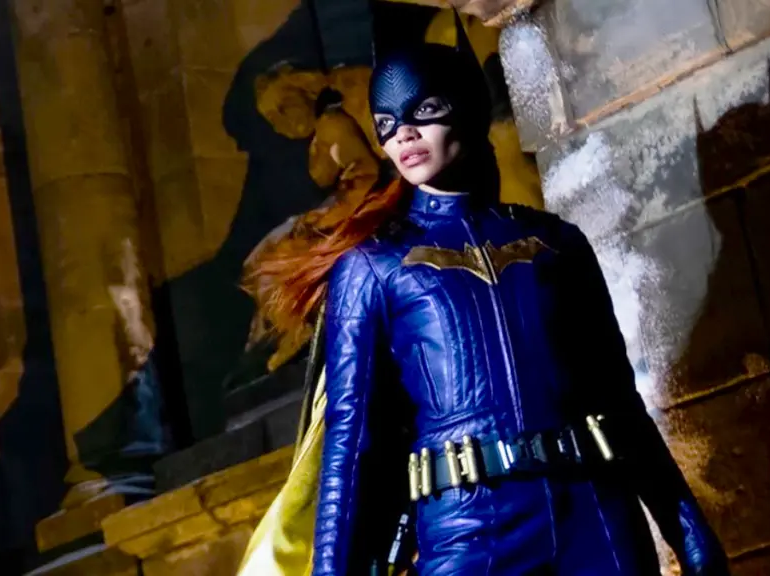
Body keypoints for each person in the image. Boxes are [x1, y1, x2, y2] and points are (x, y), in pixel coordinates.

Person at [245, 13, 729, 576]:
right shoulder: (372, 267)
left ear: (468, 108)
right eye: (386, 124)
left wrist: (691, 534)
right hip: (468, 537)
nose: (403, 135)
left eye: (424, 110)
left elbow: (618, 403)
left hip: (595, 521)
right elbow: (350, 449)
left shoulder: (556, 243)